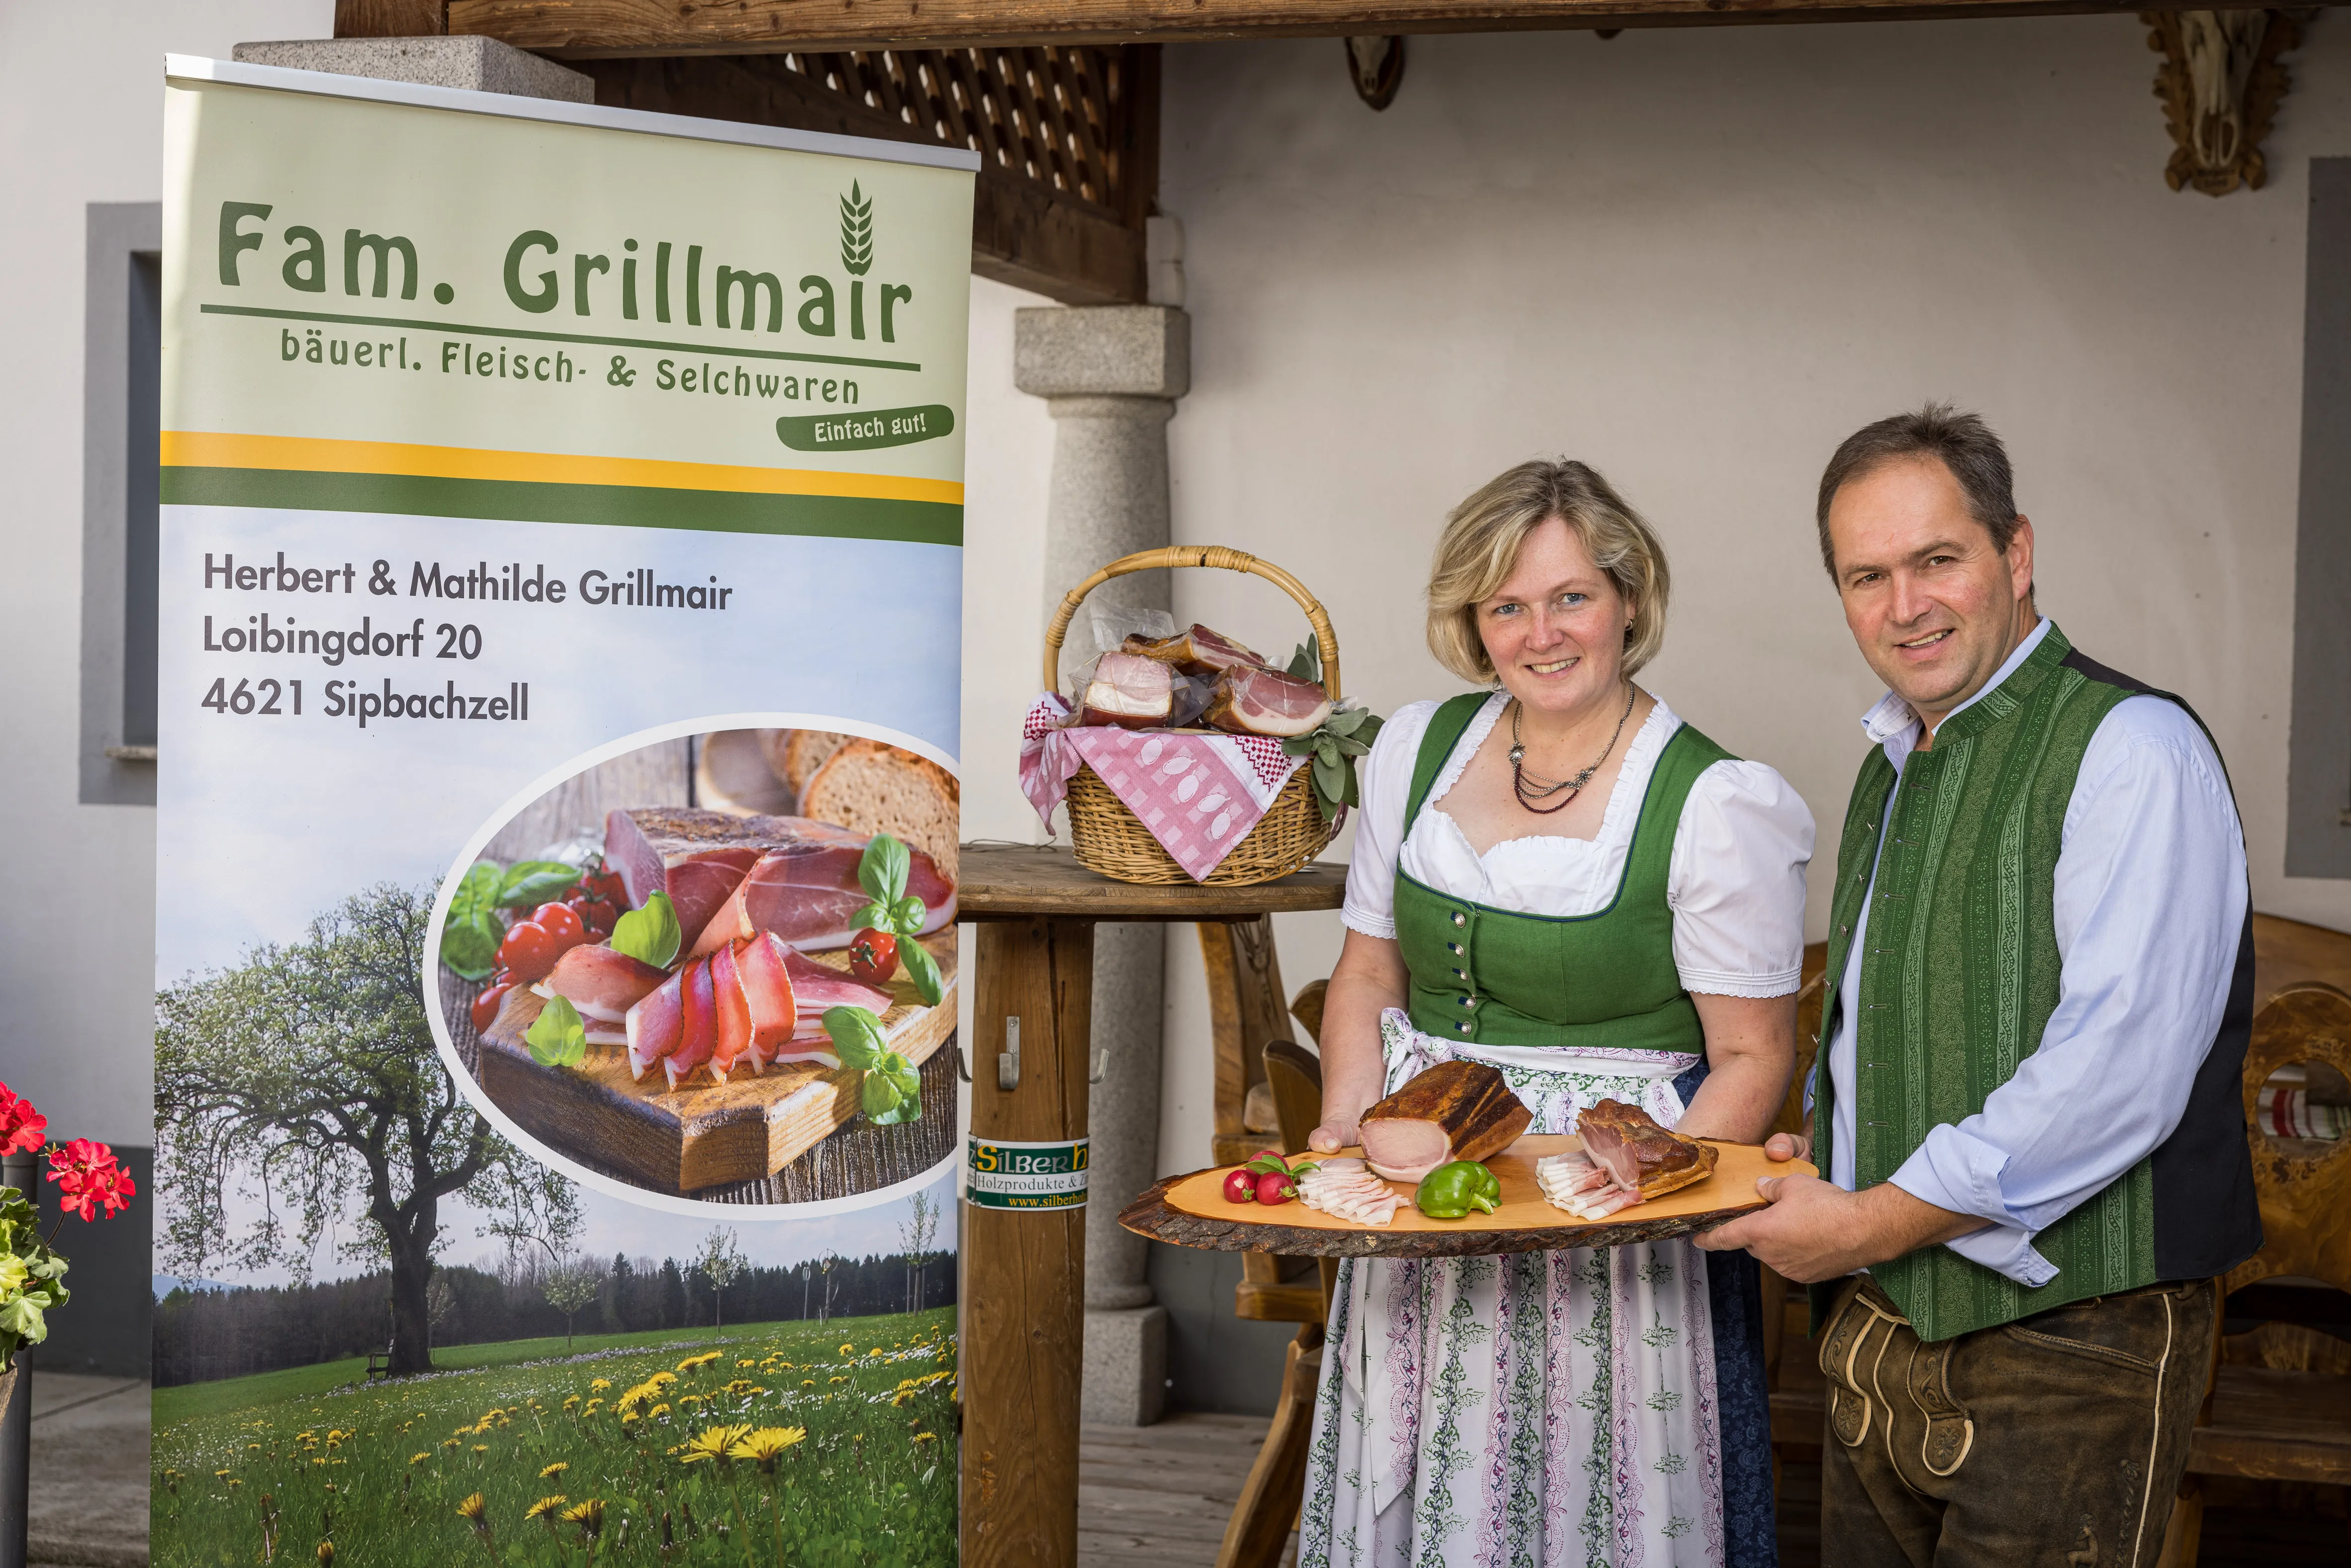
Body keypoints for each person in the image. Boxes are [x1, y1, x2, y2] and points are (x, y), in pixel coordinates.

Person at [1697, 404, 2260, 1568]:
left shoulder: (2131, 748)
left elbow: (2118, 1074)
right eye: (1867, 576)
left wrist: (1862, 1221)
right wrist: (1829, 1163)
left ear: (2015, 552)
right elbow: (1891, 1026)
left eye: (1936, 560)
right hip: (1881, 1328)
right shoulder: (1891, 763)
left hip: (2073, 1344)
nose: (1904, 605)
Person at [1300, 459, 1815, 1568]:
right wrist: (1348, 1134)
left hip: (1613, 1213)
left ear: (1629, 600)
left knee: (1596, 1505)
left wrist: (1616, 1197)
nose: (1541, 633)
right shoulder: (1415, 751)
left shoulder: (1718, 803)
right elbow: (1369, 975)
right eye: (1506, 605)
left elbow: (1751, 1057)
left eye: (1571, 596)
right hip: (1424, 1182)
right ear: (1472, 621)